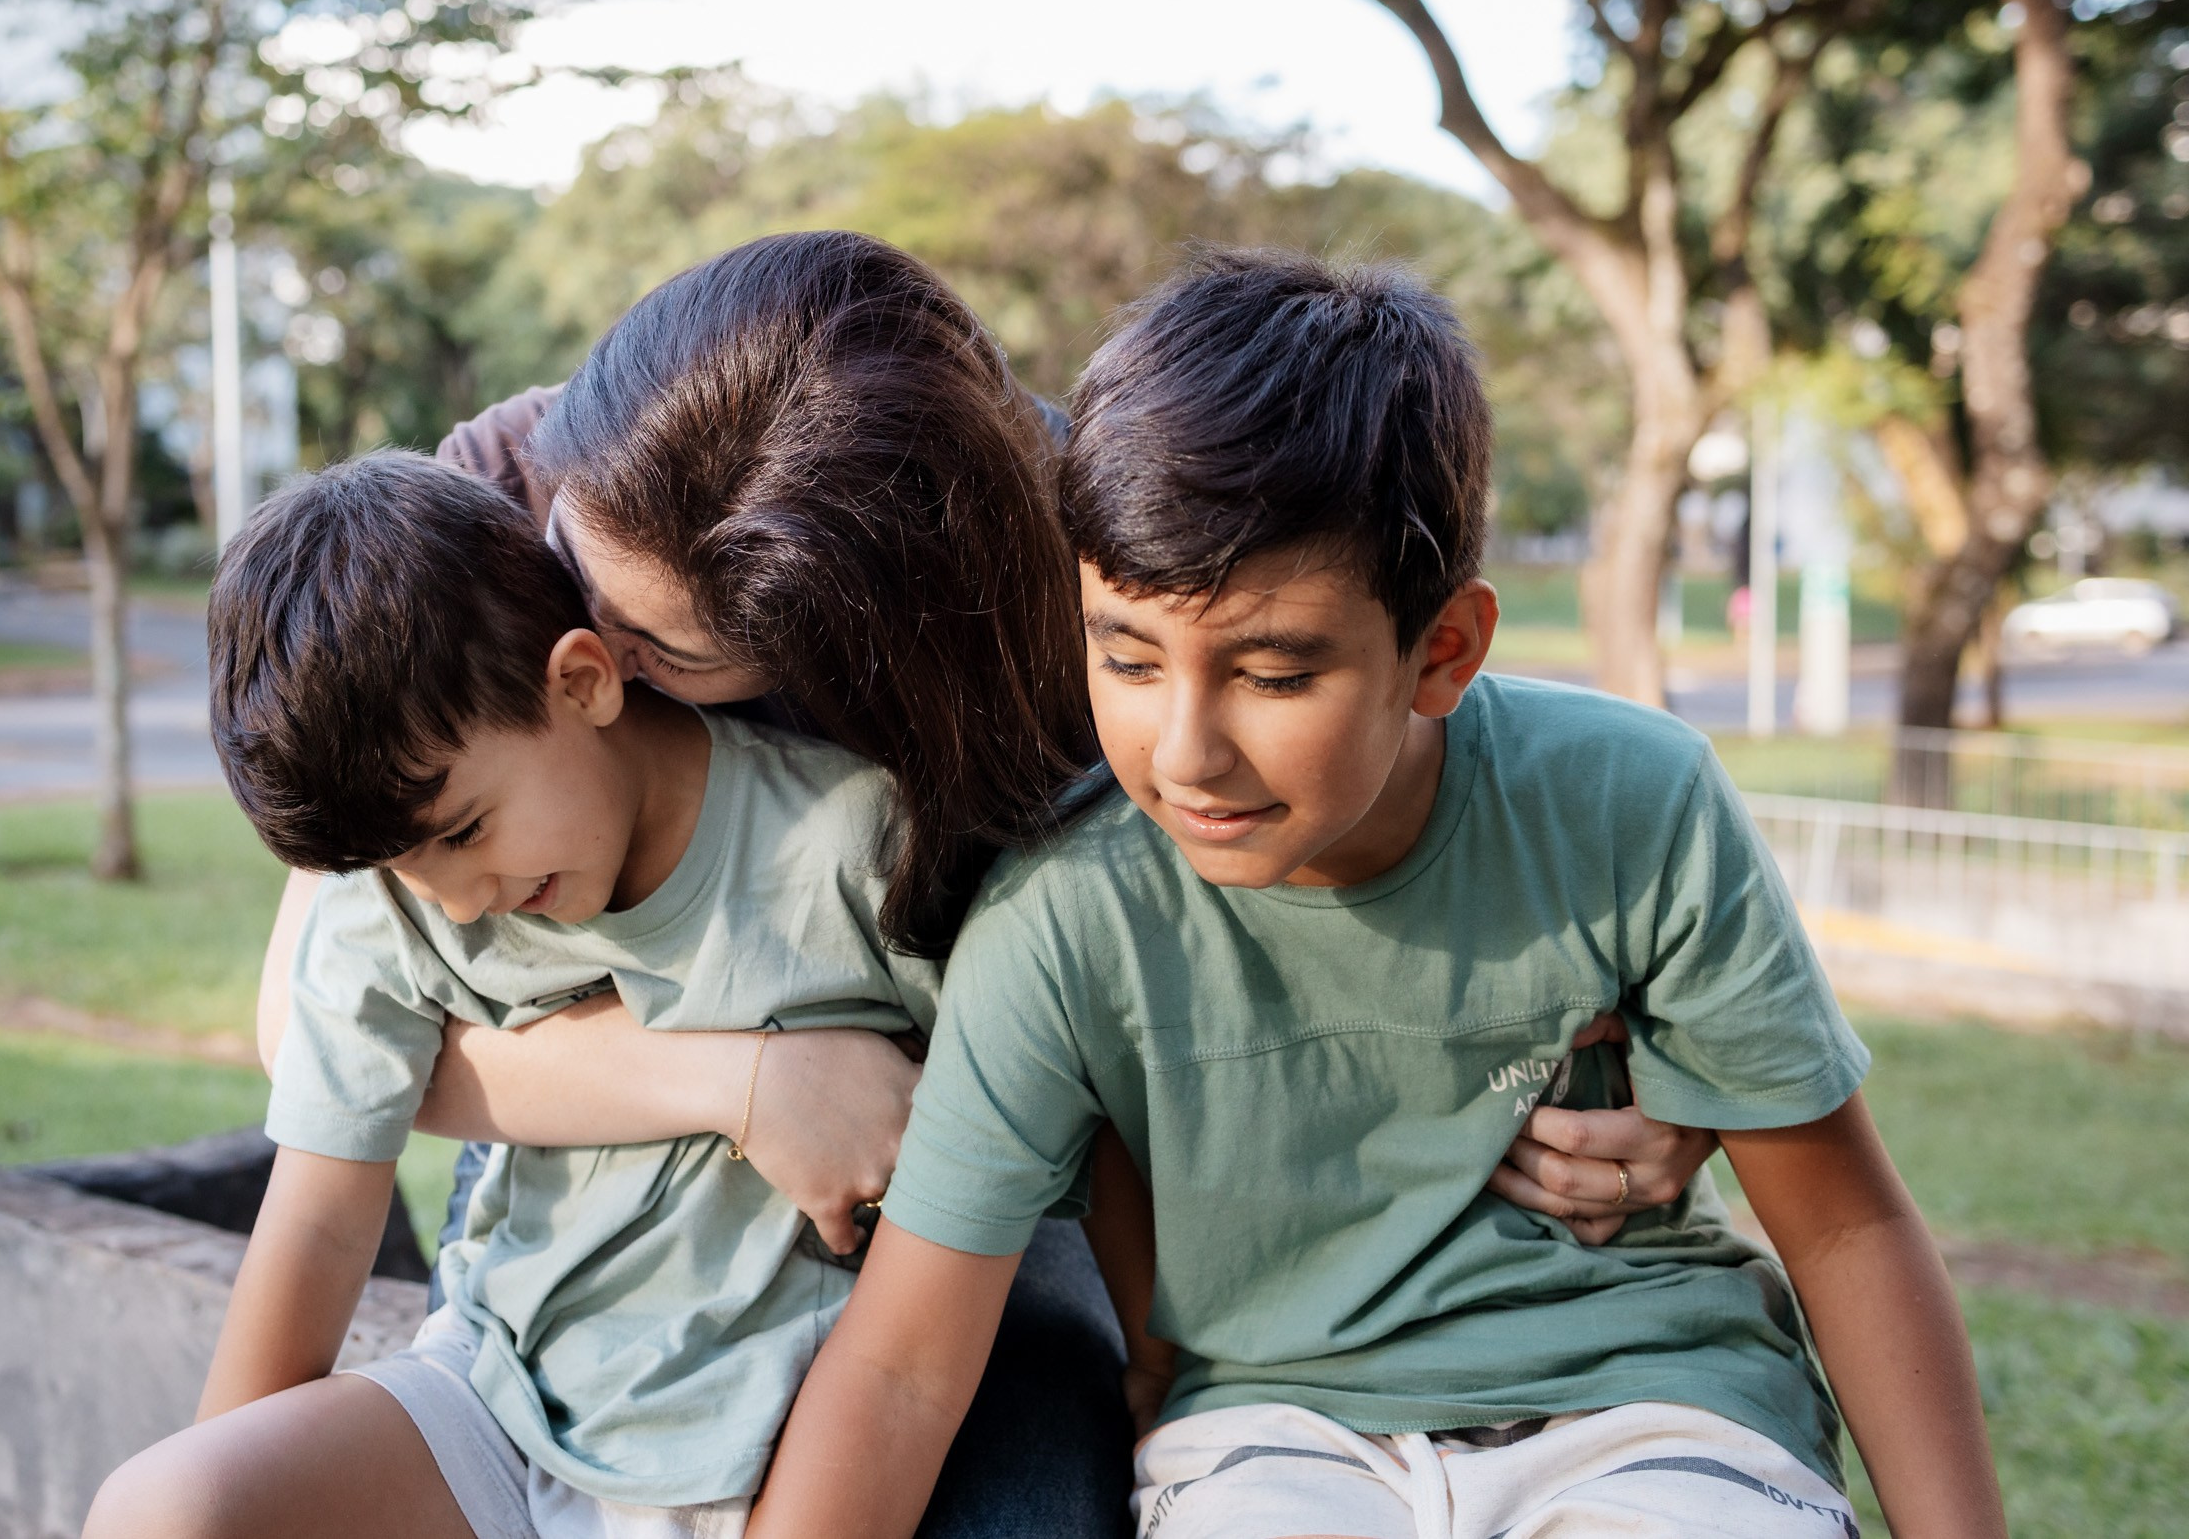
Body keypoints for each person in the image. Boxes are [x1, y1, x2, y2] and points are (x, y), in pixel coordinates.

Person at [248, 231, 1718, 1530]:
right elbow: (320, 1026)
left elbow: (1379, 748)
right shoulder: (502, 508)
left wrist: (1647, 1078)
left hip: (967, 1211)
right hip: (602, 1239)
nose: (602, 663)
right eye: (584, 569)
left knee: (1039, 1506)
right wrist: (746, 1081)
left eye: (672, 657)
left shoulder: (1089, 614)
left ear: (848, 647)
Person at [748, 249, 2008, 1539]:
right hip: (1272, 1438)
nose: (1183, 752)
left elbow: (1845, 1230)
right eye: (1126, 657)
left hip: (1650, 1408)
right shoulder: (1062, 912)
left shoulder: (1634, 804)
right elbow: (902, 1365)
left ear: (1441, 649)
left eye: (1275, 676)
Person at [88, 449, 951, 1539]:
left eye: (463, 832)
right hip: (492, 1396)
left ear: (582, 681)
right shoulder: (399, 896)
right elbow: (315, 1220)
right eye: (408, 867)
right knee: (160, 1509)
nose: (452, 904)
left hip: (759, 1442)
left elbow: (1015, 1139)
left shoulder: (850, 844)